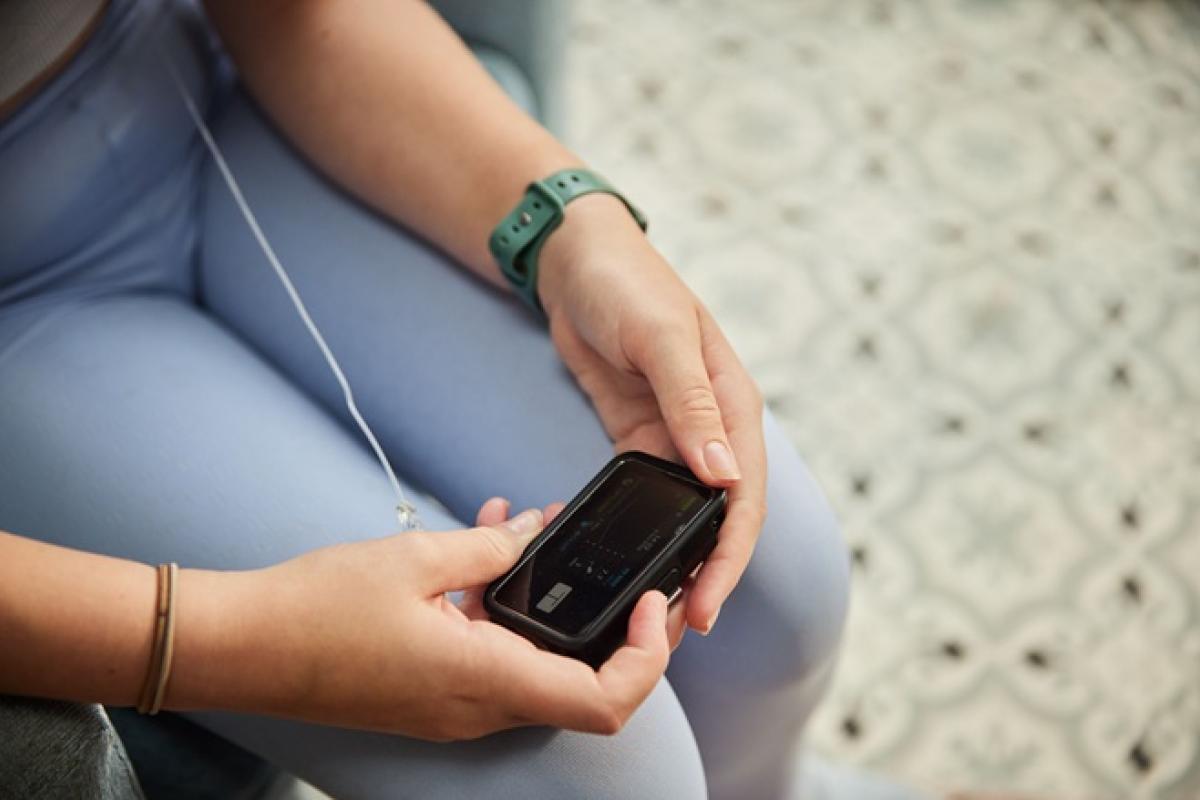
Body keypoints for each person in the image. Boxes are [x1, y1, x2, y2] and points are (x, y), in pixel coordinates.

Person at [0, 0, 852, 797]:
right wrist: (238, 643)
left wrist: (566, 224)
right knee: (597, 773)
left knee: (777, 578)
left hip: (221, 95)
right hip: (22, 319)